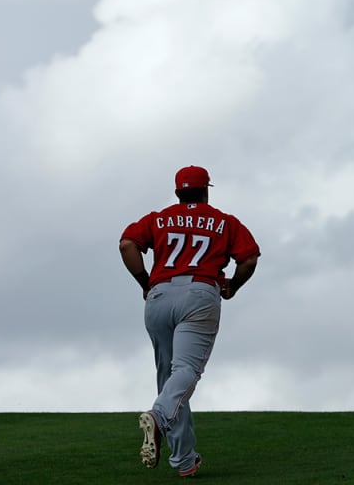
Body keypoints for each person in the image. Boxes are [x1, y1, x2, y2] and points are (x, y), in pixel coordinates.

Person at [119, 165, 260, 477]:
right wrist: (233, 286)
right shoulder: (224, 221)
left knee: (169, 378)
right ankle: (157, 417)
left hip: (158, 297)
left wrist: (144, 281)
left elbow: (127, 245)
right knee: (185, 373)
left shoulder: (158, 218)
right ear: (206, 191)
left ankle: (183, 460)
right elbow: (249, 257)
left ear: (178, 192)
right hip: (198, 293)